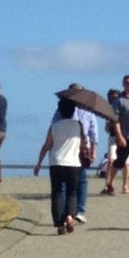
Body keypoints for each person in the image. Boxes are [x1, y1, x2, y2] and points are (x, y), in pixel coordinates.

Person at [33, 95, 92, 235]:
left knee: (57, 193)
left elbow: (47, 146)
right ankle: (70, 216)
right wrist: (86, 151)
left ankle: (60, 225)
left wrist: (39, 163)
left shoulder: (54, 126)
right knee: (72, 192)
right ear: (73, 110)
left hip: (56, 162)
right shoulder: (78, 125)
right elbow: (84, 144)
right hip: (73, 163)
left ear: (59, 110)